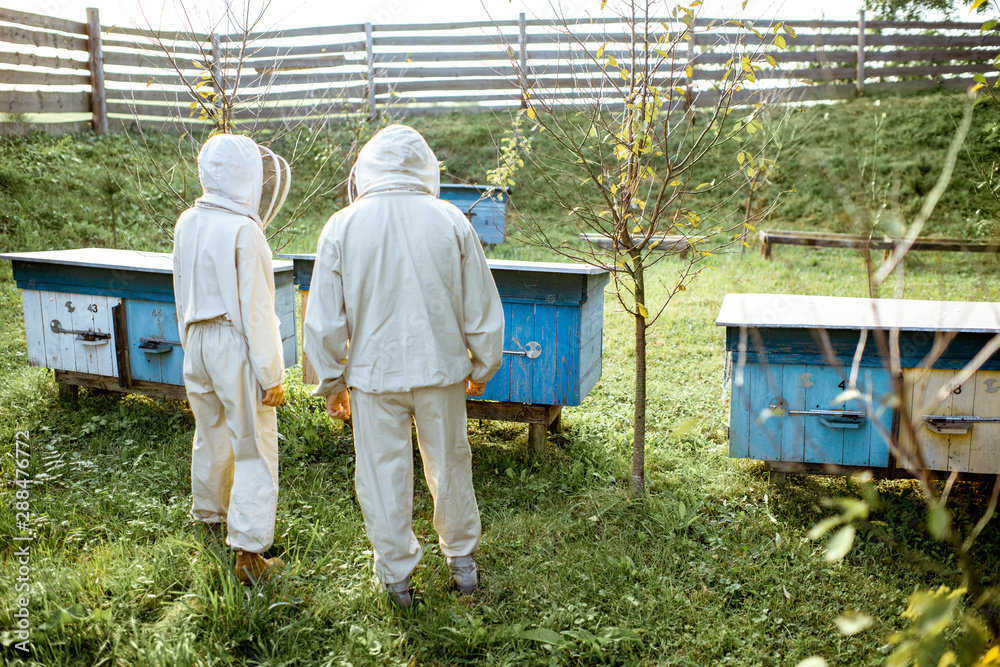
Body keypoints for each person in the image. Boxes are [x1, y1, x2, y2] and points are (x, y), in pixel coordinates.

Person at [303, 124, 505, 607]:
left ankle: (396, 581)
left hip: (372, 377)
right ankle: (463, 565)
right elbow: (480, 303)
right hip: (441, 372)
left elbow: (325, 319)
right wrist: (483, 366)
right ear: (424, 165)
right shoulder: (451, 219)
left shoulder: (342, 224)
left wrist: (331, 381)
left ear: (368, 166)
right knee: (451, 466)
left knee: (380, 472)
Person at [173, 133, 291, 586]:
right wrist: (271, 373)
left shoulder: (188, 221)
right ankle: (248, 551)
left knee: (210, 433)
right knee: (254, 446)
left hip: (197, 340)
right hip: (234, 342)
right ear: (247, 177)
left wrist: (191, 346)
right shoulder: (245, 230)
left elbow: (181, 288)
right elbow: (258, 312)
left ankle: (208, 516)